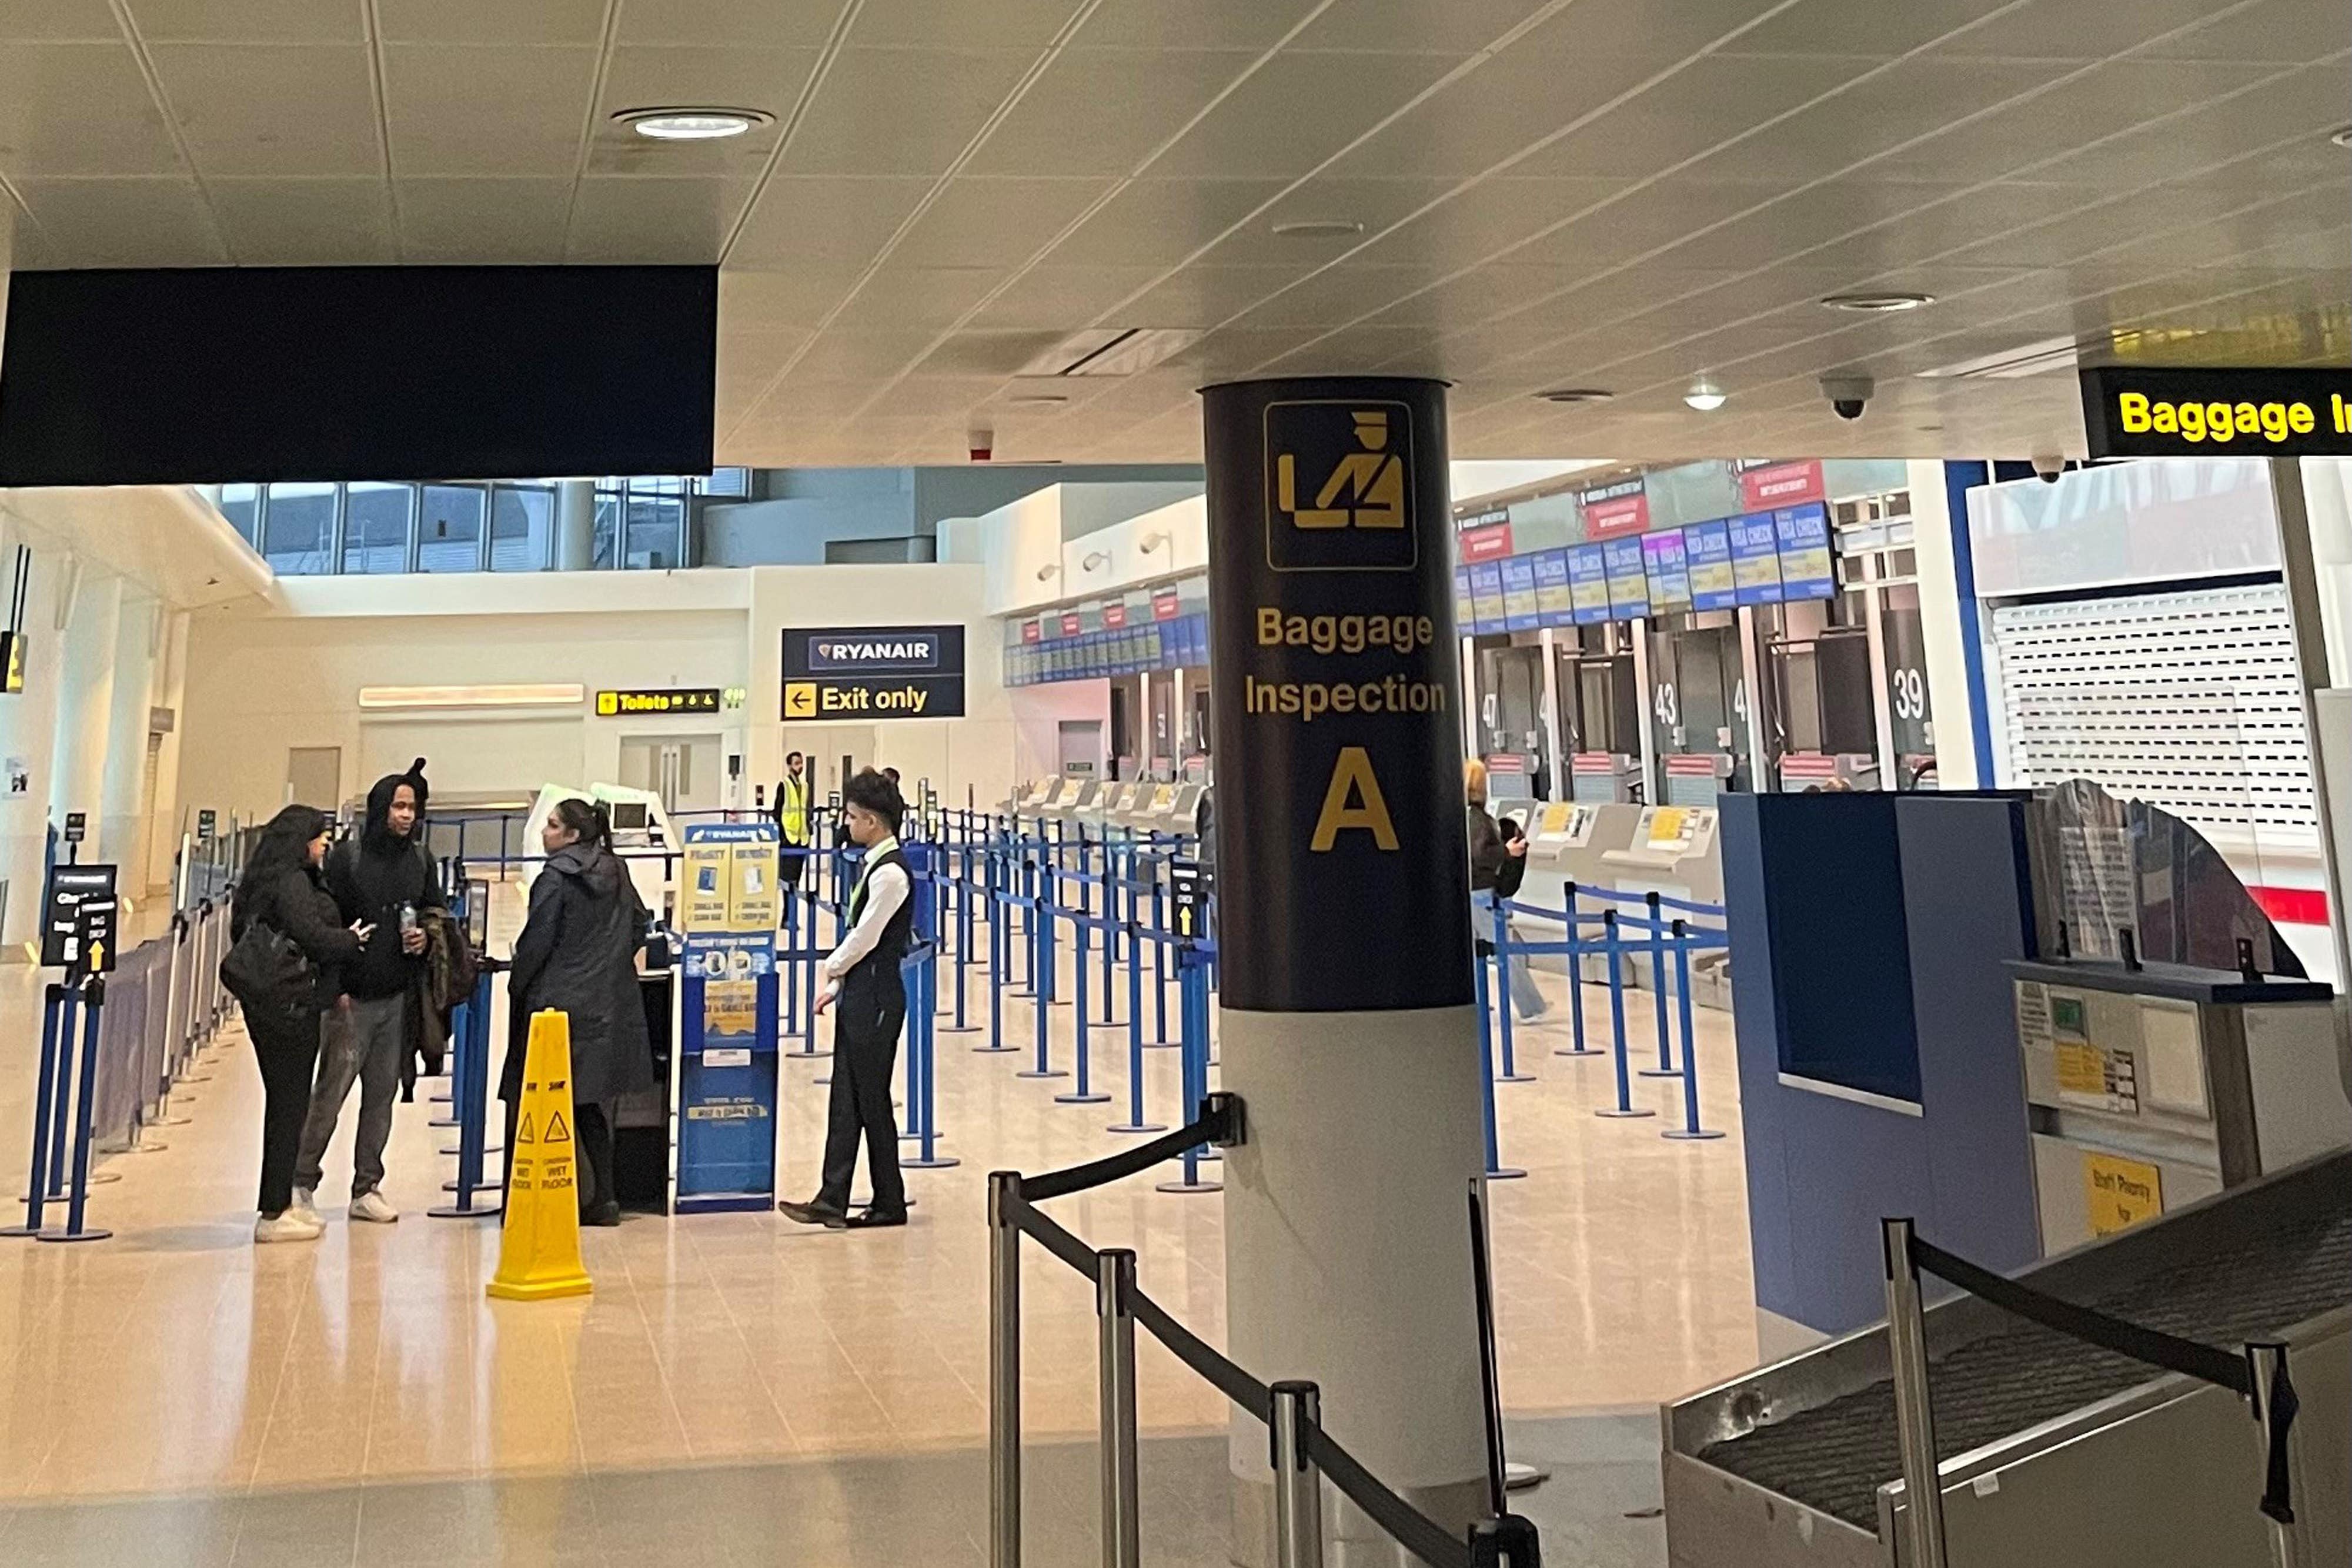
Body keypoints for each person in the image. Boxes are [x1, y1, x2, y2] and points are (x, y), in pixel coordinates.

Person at [296, 761, 442, 1222]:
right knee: (330, 1094)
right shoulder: (346, 859)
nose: (405, 815)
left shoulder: (422, 860)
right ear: (381, 809)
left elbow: (432, 909)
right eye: (398, 806)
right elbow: (326, 922)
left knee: (381, 1096)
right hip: (350, 1000)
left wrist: (426, 936)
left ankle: (368, 1185)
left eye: (412, 808)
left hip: (397, 998)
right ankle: (301, 1180)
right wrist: (333, 988)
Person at [501, 798, 656, 1227]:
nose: (545, 832)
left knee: (549, 1104)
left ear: (571, 835)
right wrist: (611, 967)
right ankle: (603, 1197)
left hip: (556, 1007)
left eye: (552, 825)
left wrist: (519, 983)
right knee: (590, 1104)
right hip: (607, 1006)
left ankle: (548, 1197)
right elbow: (641, 924)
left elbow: (537, 942)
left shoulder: (554, 878)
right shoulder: (618, 871)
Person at [230, 805, 368, 1243]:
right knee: (289, 1105)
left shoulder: (266, 880)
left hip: (270, 1003)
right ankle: (274, 1210)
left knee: (288, 1103)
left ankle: (281, 1202)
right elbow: (311, 934)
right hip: (288, 1007)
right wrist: (352, 939)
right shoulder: (291, 883)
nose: (325, 843)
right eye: (319, 836)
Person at [781, 768, 911, 1231]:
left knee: (871, 1100)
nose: (847, 823)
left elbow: (866, 936)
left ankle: (889, 1200)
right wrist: (837, 987)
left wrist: (832, 967)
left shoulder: (891, 873)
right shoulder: (876, 865)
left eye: (853, 816)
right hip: (861, 994)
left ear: (873, 821)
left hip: (877, 998)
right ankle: (831, 1197)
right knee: (847, 1099)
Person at [1466, 759, 1546, 1021]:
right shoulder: (1476, 818)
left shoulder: (1460, 814)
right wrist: (1507, 851)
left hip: (1467, 891)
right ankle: (1531, 1007)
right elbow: (1479, 854)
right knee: (1505, 949)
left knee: (1473, 951)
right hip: (1480, 892)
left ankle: (1473, 1002)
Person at [773, 749, 811, 895]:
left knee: (797, 878)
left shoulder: (805, 785)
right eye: (796, 764)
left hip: (802, 837)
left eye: (801, 763)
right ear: (789, 766)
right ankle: (788, 914)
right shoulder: (784, 785)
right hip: (788, 837)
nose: (800, 767)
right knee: (788, 879)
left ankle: (791, 912)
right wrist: (782, 834)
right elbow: (778, 811)